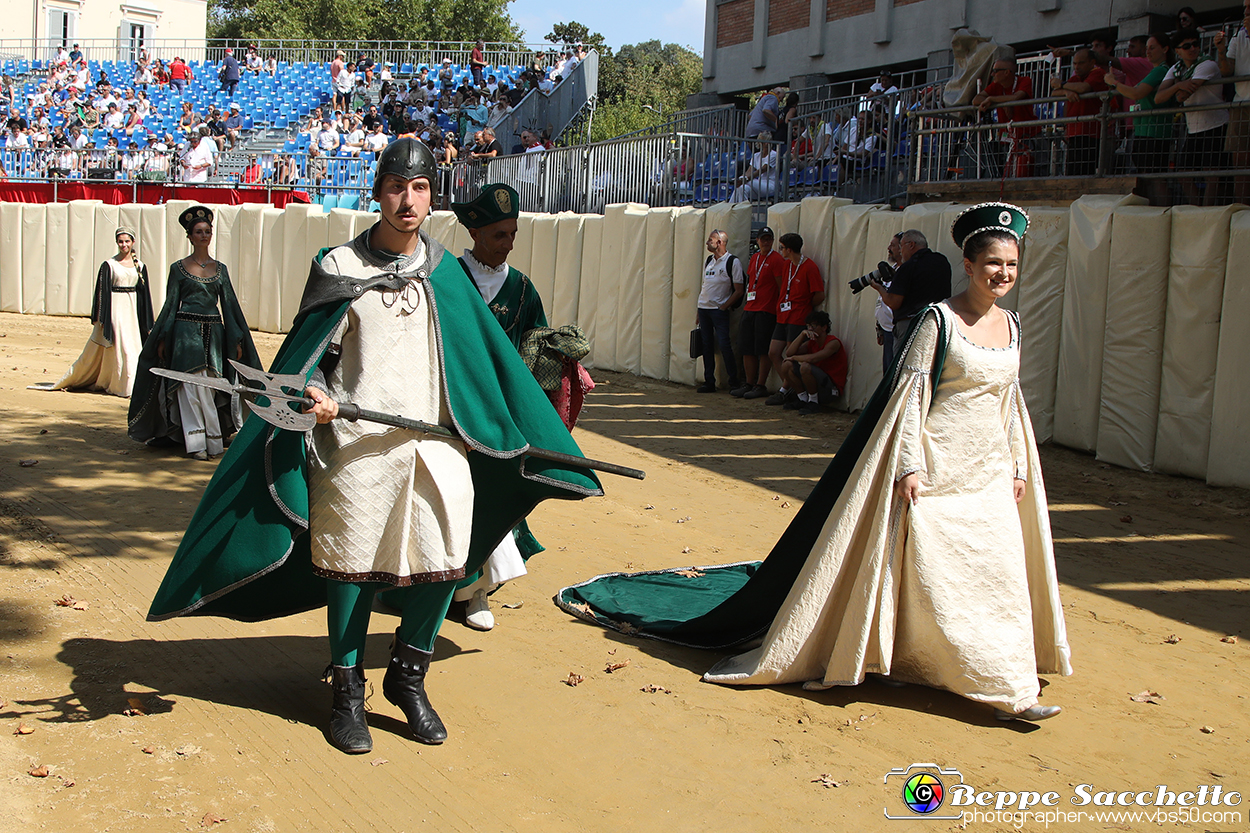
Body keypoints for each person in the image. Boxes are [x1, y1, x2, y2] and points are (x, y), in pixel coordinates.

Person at [144, 139, 602, 754]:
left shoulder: (444, 272)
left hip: (440, 442)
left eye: (418, 189)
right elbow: (307, 359)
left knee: (449, 560)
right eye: (395, 187)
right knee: (352, 567)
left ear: (432, 195)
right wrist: (315, 392)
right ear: (378, 191)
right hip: (354, 445)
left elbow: (486, 363)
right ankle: (347, 689)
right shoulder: (340, 266)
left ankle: (408, 677)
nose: (406, 200)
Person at [556, 203, 1071, 724]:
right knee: (938, 573)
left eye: (1011, 264)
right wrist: (909, 466)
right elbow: (908, 399)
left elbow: (1009, 400)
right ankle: (963, 670)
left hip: (989, 474)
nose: (1003, 274)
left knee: (995, 571)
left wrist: (1019, 466)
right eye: (992, 264)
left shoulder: (1013, 325)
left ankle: (1008, 682)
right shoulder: (938, 321)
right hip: (937, 471)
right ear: (968, 264)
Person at [448, 183, 550, 631]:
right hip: (448, 411)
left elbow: (535, 349)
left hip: (498, 419)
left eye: (513, 234)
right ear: (474, 232)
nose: (508, 244)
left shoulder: (523, 289)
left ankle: (476, 594)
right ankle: (443, 590)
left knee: (489, 501)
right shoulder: (444, 279)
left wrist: (556, 361)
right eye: (499, 236)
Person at [128, 205, 261, 460]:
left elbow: (230, 306)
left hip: (214, 335)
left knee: (211, 386)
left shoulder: (220, 269)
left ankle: (213, 440)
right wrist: (163, 337)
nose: (204, 235)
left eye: (207, 231)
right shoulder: (178, 268)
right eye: (198, 232)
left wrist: (237, 339)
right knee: (188, 386)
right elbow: (170, 305)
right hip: (184, 335)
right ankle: (196, 442)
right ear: (189, 236)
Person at [35, 228, 154, 397]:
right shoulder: (109, 265)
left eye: (127, 241)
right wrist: (100, 317)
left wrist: (146, 320)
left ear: (133, 242)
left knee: (133, 345)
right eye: (120, 241)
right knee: (123, 346)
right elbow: (101, 292)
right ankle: (124, 386)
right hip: (116, 310)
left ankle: (134, 385)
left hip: (132, 311)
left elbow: (144, 294)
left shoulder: (140, 266)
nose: (124, 245)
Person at [1157, 34, 1228, 205]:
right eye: (1187, 46)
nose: (1193, 48)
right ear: (1178, 51)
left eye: (1195, 44)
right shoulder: (1176, 68)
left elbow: (1181, 96)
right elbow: (1159, 98)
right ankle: (1197, 209)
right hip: (1194, 128)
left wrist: (1177, 86)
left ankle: (1207, 212)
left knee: (1212, 174)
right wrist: (1178, 84)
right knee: (1183, 173)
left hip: (1216, 125)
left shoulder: (1207, 64)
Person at [1110, 32, 1174, 205]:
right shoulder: (1156, 71)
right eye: (1147, 48)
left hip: (1154, 132)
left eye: (1152, 48)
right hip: (1144, 131)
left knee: (1155, 177)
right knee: (1147, 177)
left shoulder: (1162, 70)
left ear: (1165, 49)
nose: (1148, 52)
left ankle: (1160, 211)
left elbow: (1136, 92)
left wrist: (1114, 82)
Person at [765, 233, 825, 406]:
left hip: (798, 316)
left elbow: (819, 295)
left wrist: (804, 305)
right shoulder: (787, 265)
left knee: (792, 354)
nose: (780, 250)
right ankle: (791, 386)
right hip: (783, 315)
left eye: (782, 247)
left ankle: (788, 390)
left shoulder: (809, 267)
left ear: (789, 249)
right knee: (774, 352)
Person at [874, 229, 951, 359]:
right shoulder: (942, 261)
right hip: (939, 322)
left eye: (901, 246)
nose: (900, 250)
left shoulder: (908, 267)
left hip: (910, 325)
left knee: (903, 368)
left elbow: (894, 302)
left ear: (911, 245)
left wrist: (879, 288)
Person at [732, 226, 784, 400]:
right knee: (746, 348)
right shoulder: (754, 258)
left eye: (769, 239)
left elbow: (780, 286)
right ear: (758, 241)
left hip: (766, 310)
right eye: (763, 239)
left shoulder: (776, 259)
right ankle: (748, 382)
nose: (766, 242)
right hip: (750, 307)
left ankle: (760, 384)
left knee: (762, 349)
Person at [695, 229, 744, 394]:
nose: (708, 242)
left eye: (711, 240)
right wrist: (699, 309)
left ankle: (733, 381)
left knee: (724, 345)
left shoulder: (732, 262)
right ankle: (709, 381)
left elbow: (739, 290)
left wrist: (724, 306)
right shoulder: (709, 260)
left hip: (719, 310)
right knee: (707, 345)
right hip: (704, 309)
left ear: (720, 243)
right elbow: (705, 286)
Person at [973, 58, 1040, 177]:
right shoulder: (995, 85)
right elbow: (976, 100)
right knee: (1008, 173)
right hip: (1007, 138)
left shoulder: (1024, 80)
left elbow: (1016, 97)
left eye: (995, 71)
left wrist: (993, 99)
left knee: (1030, 172)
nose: (992, 74)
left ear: (1007, 72)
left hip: (1028, 135)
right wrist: (1002, 103)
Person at [1051, 48, 1108, 176]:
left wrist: (1062, 84)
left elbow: (1083, 88)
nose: (1077, 67)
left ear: (1091, 62)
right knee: (1072, 171)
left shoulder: (1098, 73)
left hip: (1090, 132)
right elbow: (1054, 93)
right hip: (1074, 130)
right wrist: (1066, 91)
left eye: (1081, 63)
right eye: (1075, 63)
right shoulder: (1076, 78)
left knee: (1084, 171)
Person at [778, 310, 845, 415]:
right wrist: (802, 334)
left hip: (830, 389)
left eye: (814, 326)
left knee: (805, 366)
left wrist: (795, 358)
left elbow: (813, 359)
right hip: (815, 385)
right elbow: (789, 352)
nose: (810, 329)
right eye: (808, 326)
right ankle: (803, 399)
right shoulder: (811, 343)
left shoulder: (833, 342)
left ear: (824, 327)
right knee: (786, 365)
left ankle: (813, 402)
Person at [1216, 0, 1250, 204]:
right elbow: (1227, 70)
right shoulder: (1239, 36)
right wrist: (1220, 50)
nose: (1246, 11)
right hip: (1241, 104)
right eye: (1245, 7)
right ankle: (1243, 209)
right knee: (1240, 160)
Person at [729, 132, 779, 203]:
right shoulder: (756, 155)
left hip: (769, 185)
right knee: (741, 188)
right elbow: (749, 171)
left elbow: (762, 170)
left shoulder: (773, 154)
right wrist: (741, 178)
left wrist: (746, 179)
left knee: (748, 181)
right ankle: (737, 208)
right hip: (758, 185)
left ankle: (729, 207)